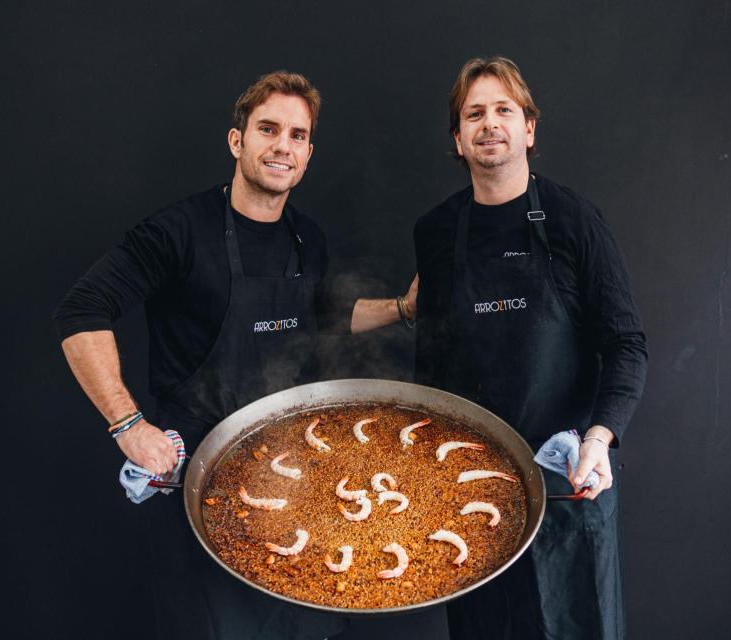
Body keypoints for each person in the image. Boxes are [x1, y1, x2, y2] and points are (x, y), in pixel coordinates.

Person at [53, 70, 414, 640]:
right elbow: (81, 311)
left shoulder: (306, 238)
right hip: (201, 477)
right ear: (237, 140)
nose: (283, 146)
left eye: (297, 135)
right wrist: (127, 425)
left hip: (295, 478)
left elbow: (323, 317)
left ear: (309, 152)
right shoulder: (179, 232)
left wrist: (402, 306)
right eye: (268, 129)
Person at [412, 57, 648, 639]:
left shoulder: (575, 222)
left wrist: (599, 439)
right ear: (458, 138)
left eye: (504, 110)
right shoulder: (436, 233)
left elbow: (626, 344)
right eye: (474, 114)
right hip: (471, 496)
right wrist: (420, 477)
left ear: (529, 129)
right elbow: (432, 367)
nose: (489, 124)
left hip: (568, 482)